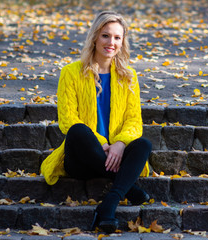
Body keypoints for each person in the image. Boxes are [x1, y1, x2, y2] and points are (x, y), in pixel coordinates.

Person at [40, 11, 152, 234]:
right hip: (82, 158)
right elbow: (67, 119)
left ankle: (108, 205)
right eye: (105, 36)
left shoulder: (128, 76)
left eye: (117, 38)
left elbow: (134, 122)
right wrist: (102, 143)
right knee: (78, 130)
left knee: (144, 145)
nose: (111, 42)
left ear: (123, 41)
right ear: (94, 37)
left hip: (115, 155)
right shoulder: (71, 73)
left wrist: (120, 144)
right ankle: (128, 188)